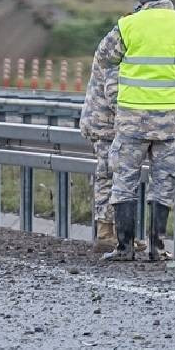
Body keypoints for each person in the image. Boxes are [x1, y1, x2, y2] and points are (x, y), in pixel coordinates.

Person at [96, 0, 175, 262]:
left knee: (125, 181)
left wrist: (117, 87)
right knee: (163, 183)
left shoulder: (128, 25)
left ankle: (124, 247)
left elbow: (105, 56)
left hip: (132, 119)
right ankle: (157, 248)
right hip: (171, 121)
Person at [79, 56, 119, 251]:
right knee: (107, 176)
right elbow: (114, 94)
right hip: (104, 125)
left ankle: (117, 233)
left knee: (113, 176)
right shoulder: (116, 56)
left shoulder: (112, 48)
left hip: (103, 123)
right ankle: (105, 233)